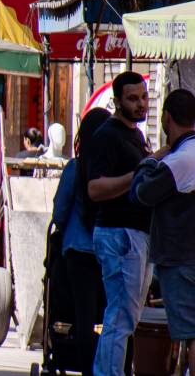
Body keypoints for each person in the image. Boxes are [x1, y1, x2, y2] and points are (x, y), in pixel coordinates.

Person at [86, 71, 152, 376]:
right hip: (118, 233)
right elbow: (95, 189)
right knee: (120, 315)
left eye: (143, 97)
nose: (141, 104)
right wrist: (136, 175)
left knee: (128, 316)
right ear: (117, 102)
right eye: (133, 98)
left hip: (136, 235)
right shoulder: (107, 136)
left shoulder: (136, 134)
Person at [131, 89, 195, 372]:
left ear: (166, 118)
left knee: (190, 333)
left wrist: (149, 161)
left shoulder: (179, 160)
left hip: (181, 258)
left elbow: (142, 193)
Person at [51, 107, 111, 376]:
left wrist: (63, 234)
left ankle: (86, 368)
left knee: (83, 317)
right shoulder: (113, 173)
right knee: (111, 316)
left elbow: (59, 212)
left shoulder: (75, 168)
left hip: (77, 251)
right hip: (109, 250)